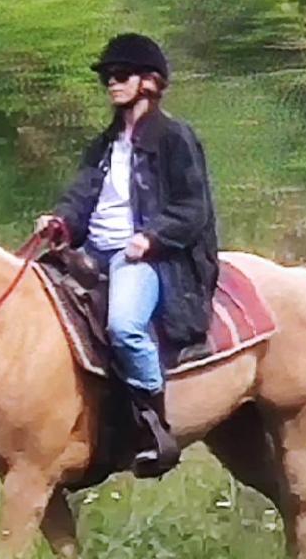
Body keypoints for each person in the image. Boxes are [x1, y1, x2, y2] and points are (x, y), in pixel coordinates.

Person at [34, 33, 219, 478]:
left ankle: (154, 426)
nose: (111, 84)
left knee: (124, 327)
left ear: (150, 83)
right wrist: (60, 222)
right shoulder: (103, 144)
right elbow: (81, 198)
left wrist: (151, 239)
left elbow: (193, 210)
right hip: (93, 250)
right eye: (107, 78)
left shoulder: (175, 139)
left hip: (147, 258)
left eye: (121, 75)